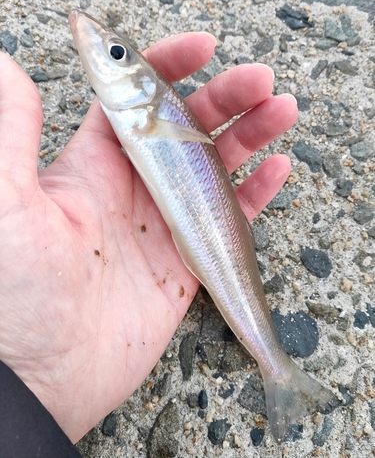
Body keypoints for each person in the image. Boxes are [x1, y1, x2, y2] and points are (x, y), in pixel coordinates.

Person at [0, 32, 297, 456]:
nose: (99, 50)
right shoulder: (137, 114)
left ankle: (277, 367)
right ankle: (276, 368)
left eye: (116, 54)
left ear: (147, 90)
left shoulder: (152, 112)